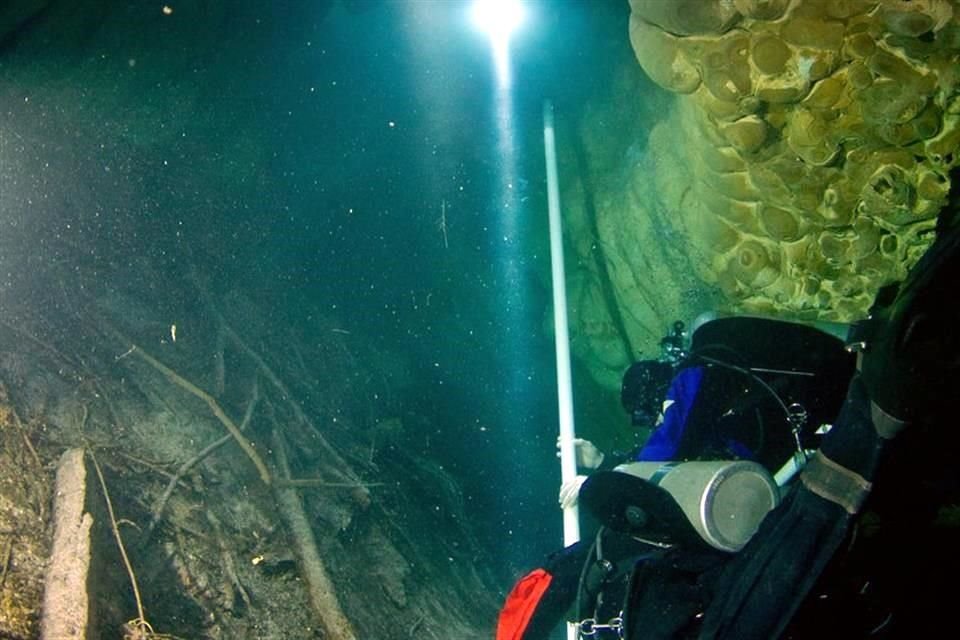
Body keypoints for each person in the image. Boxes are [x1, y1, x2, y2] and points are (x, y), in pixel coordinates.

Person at [498, 316, 856, 640]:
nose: (653, 423)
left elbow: (663, 452)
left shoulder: (691, 376)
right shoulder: (732, 399)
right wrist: (603, 461)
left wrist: (600, 483)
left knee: (581, 561)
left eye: (650, 415)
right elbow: (679, 461)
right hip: (753, 502)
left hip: (732, 503)